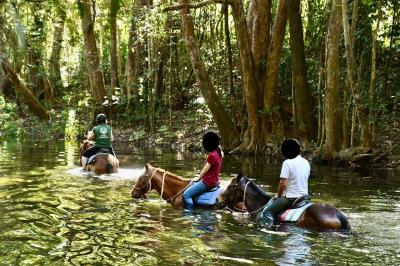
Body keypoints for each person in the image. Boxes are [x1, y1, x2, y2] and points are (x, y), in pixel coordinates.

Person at [261, 138, 310, 226]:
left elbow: (283, 184)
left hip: (291, 198)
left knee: (267, 212)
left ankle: (270, 234)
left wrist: (278, 196)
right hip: (304, 197)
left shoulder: (287, 162)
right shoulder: (306, 162)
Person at [183, 132, 223, 210]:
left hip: (207, 182)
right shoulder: (220, 153)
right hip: (215, 181)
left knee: (186, 195)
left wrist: (198, 179)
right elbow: (216, 168)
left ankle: (190, 213)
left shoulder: (212, 155)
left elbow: (205, 170)